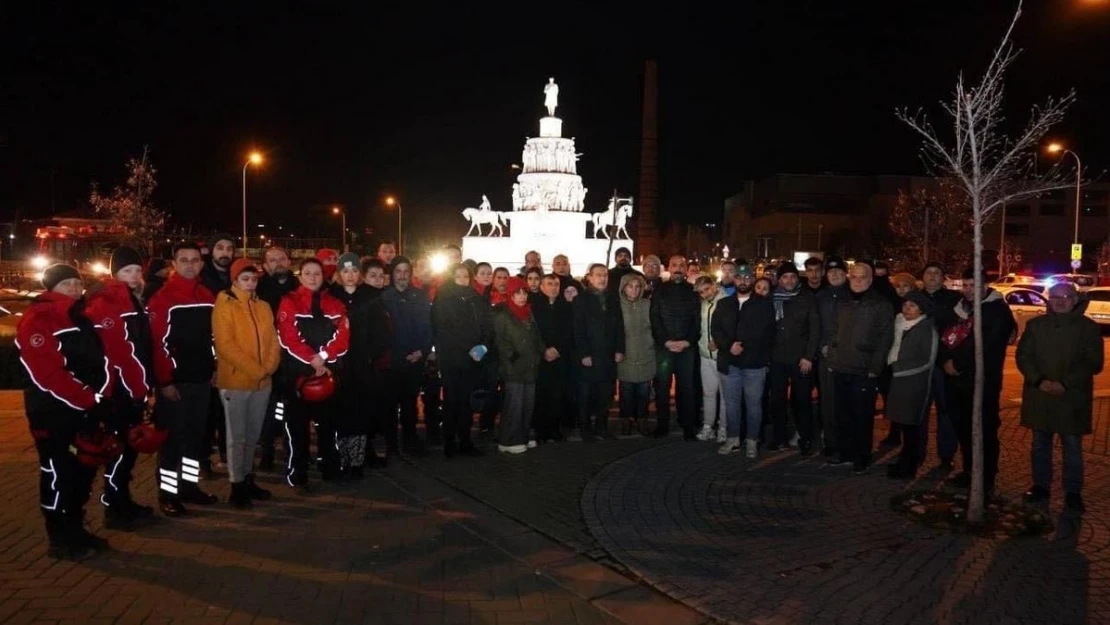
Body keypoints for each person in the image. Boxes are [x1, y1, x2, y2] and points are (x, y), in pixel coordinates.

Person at [18, 264, 112, 559]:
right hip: (53, 412)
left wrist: (99, 397)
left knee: (81, 469)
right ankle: (58, 536)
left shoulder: (80, 315)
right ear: (50, 288)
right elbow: (46, 373)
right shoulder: (39, 319)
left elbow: (98, 361)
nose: (73, 288)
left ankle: (75, 527)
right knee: (57, 472)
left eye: (76, 282)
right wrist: (86, 399)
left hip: (82, 408)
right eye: (65, 284)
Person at [83, 246, 154, 528]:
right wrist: (138, 388)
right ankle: (114, 506)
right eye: (127, 271)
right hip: (119, 390)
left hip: (130, 387)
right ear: (115, 273)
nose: (134, 276)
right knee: (120, 449)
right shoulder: (108, 302)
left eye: (137, 270)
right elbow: (120, 353)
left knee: (128, 450)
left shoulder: (133, 300)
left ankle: (121, 500)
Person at [1017, 283, 1104, 513]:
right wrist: (1039, 381)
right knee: (1039, 446)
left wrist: (1065, 384)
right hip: (1040, 395)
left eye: (1066, 296)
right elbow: (1023, 356)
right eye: (1055, 296)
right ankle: (1040, 486)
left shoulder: (1088, 328)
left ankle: (1073, 492)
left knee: (1072, 447)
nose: (1060, 300)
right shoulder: (1036, 325)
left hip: (1072, 398)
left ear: (1075, 299)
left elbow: (1092, 362)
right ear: (1049, 300)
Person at [147, 242, 218, 515]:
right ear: (174, 264)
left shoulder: (206, 295)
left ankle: (189, 486)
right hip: (174, 385)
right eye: (184, 259)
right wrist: (165, 382)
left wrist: (214, 368)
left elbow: (213, 338)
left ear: (201, 264)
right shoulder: (162, 299)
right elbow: (157, 344)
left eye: (195, 260)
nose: (190, 264)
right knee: (171, 442)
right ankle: (167, 493)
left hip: (202, 380)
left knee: (195, 440)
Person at [939, 269, 1015, 497]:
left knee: (985, 428)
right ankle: (969, 470)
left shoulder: (997, 310)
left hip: (984, 380)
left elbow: (988, 346)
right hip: (957, 381)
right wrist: (945, 360)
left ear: (986, 286)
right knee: (963, 426)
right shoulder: (959, 308)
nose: (970, 289)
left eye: (975, 285)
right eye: (966, 285)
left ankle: (986, 476)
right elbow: (944, 336)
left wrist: (959, 364)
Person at [276, 258, 350, 487]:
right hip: (298, 376)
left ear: (323, 276)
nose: (313, 277)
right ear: (300, 276)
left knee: (329, 425)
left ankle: (328, 463)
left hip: (327, 373)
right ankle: (298, 470)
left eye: (317, 273)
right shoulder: (289, 302)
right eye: (307, 273)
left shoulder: (335, 304)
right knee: (297, 428)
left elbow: (343, 337)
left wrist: (324, 358)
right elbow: (288, 338)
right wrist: (312, 360)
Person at [212, 259, 280, 506]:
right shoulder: (224, 305)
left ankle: (248, 477)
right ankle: (236, 484)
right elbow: (226, 345)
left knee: (253, 435)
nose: (250, 283)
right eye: (245, 279)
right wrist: (257, 370)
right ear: (235, 280)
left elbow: (273, 340)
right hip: (236, 381)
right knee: (236, 436)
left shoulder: (263, 306)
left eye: (253, 279)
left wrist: (269, 368)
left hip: (262, 382)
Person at [826, 262, 894, 474]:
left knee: (862, 415)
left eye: (863, 277)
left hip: (864, 369)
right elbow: (834, 331)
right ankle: (845, 451)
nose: (858, 281)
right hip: (841, 367)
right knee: (842, 413)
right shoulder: (843, 301)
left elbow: (886, 337)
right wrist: (832, 360)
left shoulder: (881, 304)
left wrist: (876, 366)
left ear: (871, 279)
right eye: (854, 277)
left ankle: (861, 456)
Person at [330, 253, 386, 476]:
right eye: (346, 271)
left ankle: (357, 460)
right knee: (341, 412)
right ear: (339, 274)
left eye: (354, 271)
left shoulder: (371, 297)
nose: (350, 275)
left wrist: (370, 355)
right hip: (339, 365)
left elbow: (382, 332)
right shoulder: (330, 297)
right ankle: (342, 457)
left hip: (363, 365)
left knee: (362, 412)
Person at [712, 262, 775, 457]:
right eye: (739, 277)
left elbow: (767, 333)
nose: (743, 281)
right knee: (731, 404)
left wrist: (744, 346)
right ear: (734, 279)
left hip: (754, 364)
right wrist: (729, 345)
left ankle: (752, 441)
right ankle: (733, 439)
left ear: (753, 279)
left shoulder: (764, 304)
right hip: (729, 363)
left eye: (747, 277)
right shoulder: (723, 304)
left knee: (754, 405)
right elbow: (716, 329)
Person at [431, 264, 492, 457]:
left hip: (472, 359)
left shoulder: (476, 299)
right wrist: (464, 349)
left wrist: (482, 346)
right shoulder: (443, 299)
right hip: (451, 359)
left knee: (466, 402)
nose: (463, 280)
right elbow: (442, 330)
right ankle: (449, 442)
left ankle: (465, 440)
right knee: (451, 401)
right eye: (458, 277)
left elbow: (487, 326)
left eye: (465, 276)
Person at [380, 256, 434, 455]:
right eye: (398, 271)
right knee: (390, 405)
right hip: (391, 361)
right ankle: (391, 442)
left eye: (405, 272)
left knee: (410, 403)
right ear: (392, 274)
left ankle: (410, 439)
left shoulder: (419, 296)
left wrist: (422, 350)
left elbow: (428, 326)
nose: (402, 276)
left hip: (414, 360)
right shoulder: (384, 297)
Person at [884, 291, 939, 479]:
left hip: (914, 383)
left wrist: (898, 368)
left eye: (912, 305)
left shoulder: (926, 328)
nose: (907, 308)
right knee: (901, 423)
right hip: (898, 382)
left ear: (921, 309)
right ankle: (903, 462)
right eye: (905, 304)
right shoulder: (899, 324)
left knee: (911, 427)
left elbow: (927, 359)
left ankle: (909, 467)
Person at [768, 262, 820, 455]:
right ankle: (779, 436)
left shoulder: (807, 298)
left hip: (800, 358)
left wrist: (808, 356)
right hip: (777, 357)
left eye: (792, 277)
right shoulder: (772, 297)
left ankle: (805, 438)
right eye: (785, 277)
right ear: (779, 280)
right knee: (777, 400)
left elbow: (815, 328)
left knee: (802, 400)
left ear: (797, 279)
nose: (789, 281)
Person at [255, 246, 298, 471]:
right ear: (264, 265)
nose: (278, 263)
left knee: (292, 408)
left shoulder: (300, 288)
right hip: (268, 360)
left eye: (282, 258)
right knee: (268, 409)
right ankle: (268, 451)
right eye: (272, 260)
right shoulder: (258, 290)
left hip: (295, 361)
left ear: (289, 261)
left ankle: (293, 451)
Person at [649, 255, 700, 439]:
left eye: (681, 265)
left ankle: (688, 426)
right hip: (665, 348)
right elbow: (654, 318)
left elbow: (697, 320)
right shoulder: (659, 290)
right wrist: (666, 341)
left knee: (687, 388)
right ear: (668, 268)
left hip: (687, 348)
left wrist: (688, 341)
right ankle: (662, 425)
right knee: (662, 388)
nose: (678, 268)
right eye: (674, 265)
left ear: (686, 269)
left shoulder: (693, 291)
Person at [493, 278, 544, 453]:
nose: (522, 297)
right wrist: (513, 356)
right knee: (514, 405)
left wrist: (540, 352)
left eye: (524, 293)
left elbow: (536, 336)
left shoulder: (528, 312)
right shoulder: (502, 314)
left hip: (530, 366)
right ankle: (508, 440)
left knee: (527, 404)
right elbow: (499, 341)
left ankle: (522, 436)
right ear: (510, 294)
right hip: (513, 368)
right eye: (517, 293)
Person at [574, 263, 624, 440]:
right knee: (586, 394)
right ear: (590, 277)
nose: (602, 278)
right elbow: (578, 328)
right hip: (590, 355)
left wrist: (619, 349)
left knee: (605, 393)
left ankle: (602, 427)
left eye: (605, 275)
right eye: (598, 275)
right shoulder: (581, 299)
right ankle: (585, 428)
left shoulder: (613, 298)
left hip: (608, 355)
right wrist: (584, 353)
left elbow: (619, 325)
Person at [919, 261, 961, 471]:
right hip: (919, 364)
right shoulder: (914, 299)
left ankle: (946, 455)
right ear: (923, 277)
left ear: (943, 278)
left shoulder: (954, 300)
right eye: (929, 273)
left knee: (946, 410)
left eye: (937, 273)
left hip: (943, 364)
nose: (933, 276)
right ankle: (916, 451)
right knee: (919, 409)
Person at [532, 273, 574, 441]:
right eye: (549, 284)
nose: (553, 287)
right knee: (541, 395)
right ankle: (541, 430)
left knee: (558, 395)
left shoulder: (566, 307)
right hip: (540, 358)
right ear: (542, 287)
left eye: (556, 284)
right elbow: (533, 332)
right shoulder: (534, 307)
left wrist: (557, 349)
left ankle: (555, 429)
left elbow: (570, 331)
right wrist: (544, 350)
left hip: (559, 357)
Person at [816, 256, 850, 459]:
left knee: (846, 403)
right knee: (828, 402)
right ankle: (831, 443)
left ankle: (846, 444)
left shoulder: (853, 294)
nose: (835, 275)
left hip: (848, 358)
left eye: (838, 272)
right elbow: (815, 325)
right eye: (831, 272)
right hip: (826, 357)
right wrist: (821, 346)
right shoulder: (821, 296)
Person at [617, 273, 656, 433]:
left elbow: (654, 327)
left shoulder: (648, 305)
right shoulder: (617, 306)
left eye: (637, 286)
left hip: (646, 353)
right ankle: (626, 419)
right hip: (625, 354)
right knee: (626, 391)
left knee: (644, 391)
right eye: (630, 286)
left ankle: (642, 418)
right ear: (623, 288)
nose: (634, 290)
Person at [694, 275, 727, 442]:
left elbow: (732, 327)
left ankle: (723, 427)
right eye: (700, 292)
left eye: (706, 289)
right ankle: (708, 426)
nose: (704, 294)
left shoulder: (726, 301)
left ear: (713, 285)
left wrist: (719, 342)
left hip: (722, 356)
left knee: (725, 394)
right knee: (708, 393)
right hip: (705, 355)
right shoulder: (703, 304)